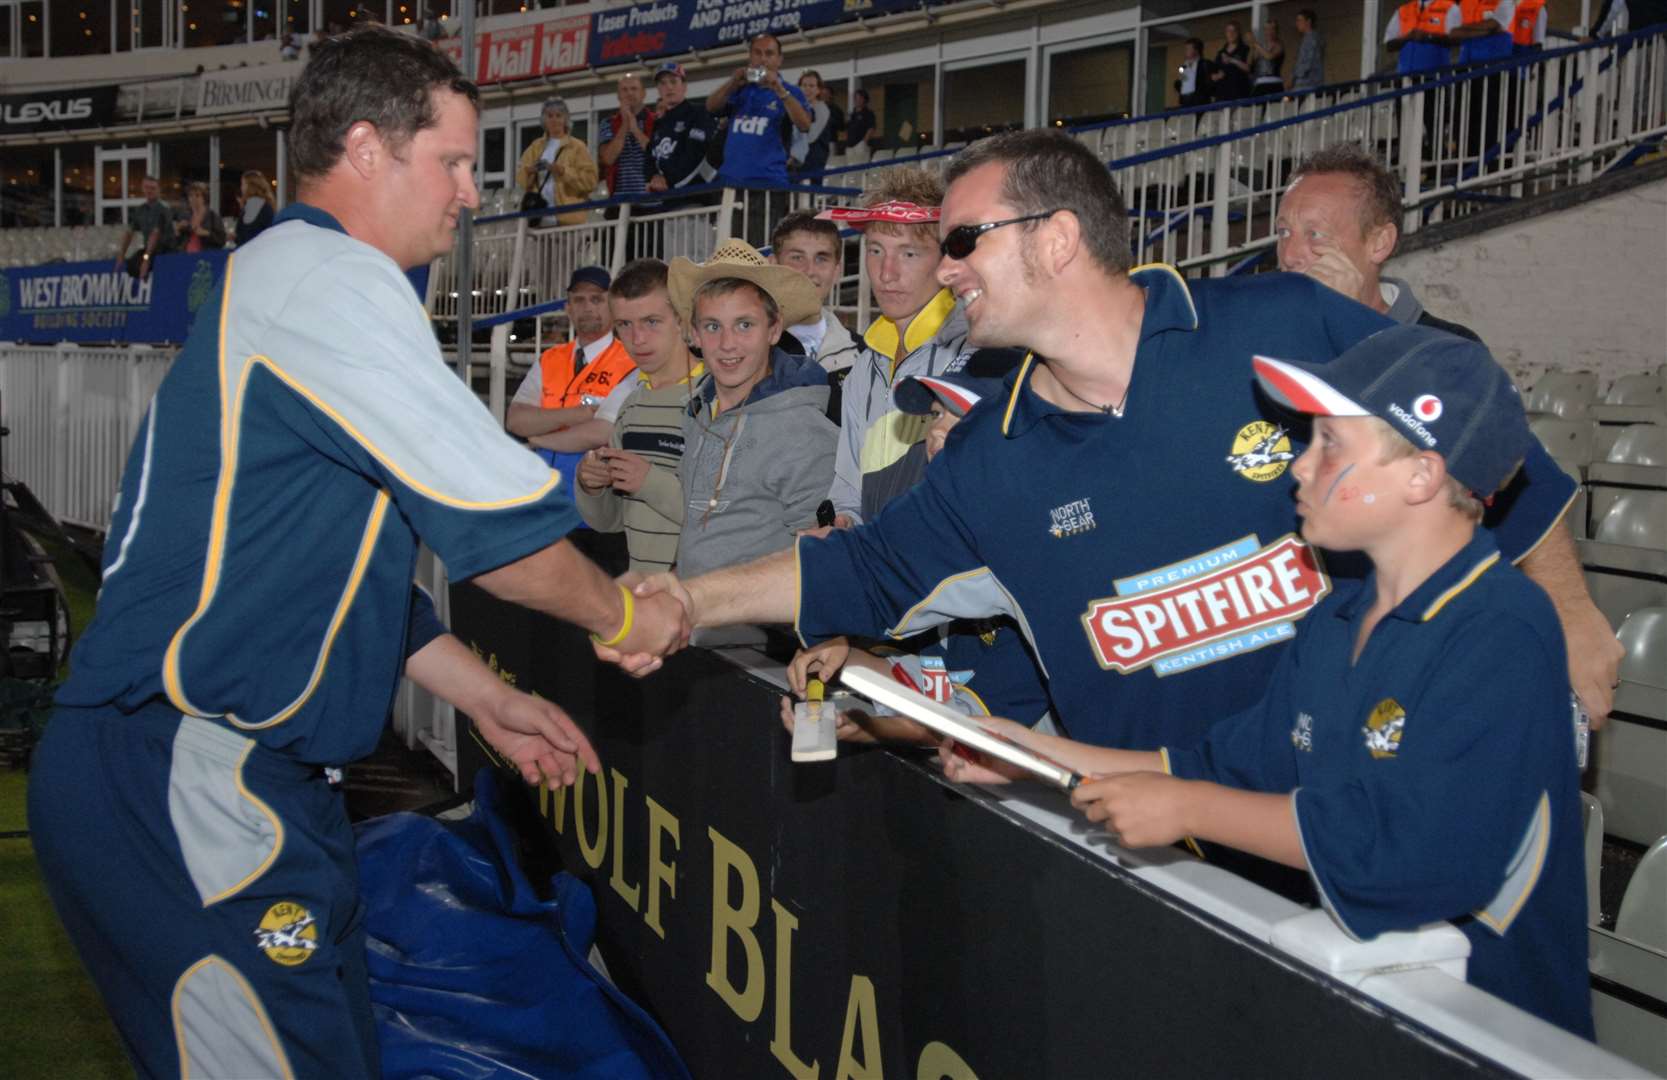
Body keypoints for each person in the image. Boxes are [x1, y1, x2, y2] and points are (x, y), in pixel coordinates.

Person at [28, 27, 685, 1078]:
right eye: (455, 161)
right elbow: (498, 532)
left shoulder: (296, 285)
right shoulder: (328, 279)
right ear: (369, 150)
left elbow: (339, 572)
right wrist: (627, 616)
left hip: (230, 772)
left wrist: (478, 696)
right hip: (190, 764)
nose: (473, 192)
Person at [611, 131, 1578, 755]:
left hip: (1379, 798)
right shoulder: (992, 454)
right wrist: (689, 600)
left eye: (962, 242)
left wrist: (1570, 612)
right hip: (1175, 864)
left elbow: (1480, 444)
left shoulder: (1282, 320)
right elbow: (861, 573)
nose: (944, 274)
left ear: (1058, 237)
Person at [940, 325, 1594, 1040]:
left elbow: (1414, 858)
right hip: (1367, 1014)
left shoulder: (1500, 628)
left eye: (1329, 446)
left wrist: (1190, 809)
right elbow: (1219, 767)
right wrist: (1029, 759)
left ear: (1422, 475)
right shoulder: (1337, 616)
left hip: (1495, 1035)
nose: (1298, 468)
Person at [1272, 144, 1624, 722]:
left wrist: (1572, 610)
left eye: (1315, 236)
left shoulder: (1444, 351)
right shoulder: (1267, 345)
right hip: (1292, 638)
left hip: (1403, 645)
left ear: (1379, 244)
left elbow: (1522, 481)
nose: (1290, 254)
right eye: (1284, 232)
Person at [780, 350, 1051, 748]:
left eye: (965, 417)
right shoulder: (953, 541)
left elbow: (976, 728)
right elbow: (941, 680)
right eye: (938, 414)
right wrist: (848, 658)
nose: (938, 432)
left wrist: (871, 728)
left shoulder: (1033, 559)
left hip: (1041, 802)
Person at [814, 168, 975, 525]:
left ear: (946, 260)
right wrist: (843, 524)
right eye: (875, 250)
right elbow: (848, 489)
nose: (886, 273)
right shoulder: (864, 367)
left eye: (909, 254)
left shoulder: (975, 355)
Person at [668, 239, 836, 579]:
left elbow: (820, 560)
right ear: (695, 335)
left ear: (774, 330)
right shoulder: (698, 414)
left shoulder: (804, 429)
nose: (727, 344)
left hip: (765, 628)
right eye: (713, 326)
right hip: (700, 622)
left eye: (745, 325)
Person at [576, 259, 702, 576]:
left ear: (681, 318)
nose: (638, 338)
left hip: (706, 598)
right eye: (624, 325)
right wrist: (592, 486)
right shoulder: (632, 406)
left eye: (651, 322)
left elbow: (732, 515)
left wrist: (648, 481)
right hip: (648, 594)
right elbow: (613, 521)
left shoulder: (718, 396)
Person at [507, 266, 638, 493]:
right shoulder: (549, 359)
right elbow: (516, 420)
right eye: (579, 300)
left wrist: (538, 438)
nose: (587, 307)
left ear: (613, 307)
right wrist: (580, 414)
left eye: (596, 299)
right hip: (545, 495)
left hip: (599, 496)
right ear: (568, 308)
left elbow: (602, 432)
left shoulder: (631, 361)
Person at [706, 33, 812, 244]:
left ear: (779, 59)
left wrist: (780, 91)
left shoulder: (790, 92)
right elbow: (711, 107)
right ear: (750, 56)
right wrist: (732, 82)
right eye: (758, 53)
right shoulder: (740, 90)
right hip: (731, 184)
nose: (763, 59)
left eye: (769, 54)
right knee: (728, 255)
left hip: (767, 185)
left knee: (759, 253)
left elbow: (804, 124)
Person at [769, 210, 859, 375]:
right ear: (774, 265)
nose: (809, 271)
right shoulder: (750, 348)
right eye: (797, 257)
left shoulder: (863, 353)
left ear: (837, 271)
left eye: (821, 258)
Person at [514, 98, 598, 225]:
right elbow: (521, 179)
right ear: (544, 120)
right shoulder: (535, 147)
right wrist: (529, 172)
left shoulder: (577, 146)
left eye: (558, 116)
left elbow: (590, 181)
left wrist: (563, 171)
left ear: (565, 119)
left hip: (568, 220)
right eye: (550, 116)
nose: (554, 120)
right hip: (540, 220)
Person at [600, 73, 656, 202]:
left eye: (634, 89)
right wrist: (625, 125)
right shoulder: (608, 123)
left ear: (643, 93)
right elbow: (608, 158)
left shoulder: (657, 120)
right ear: (618, 95)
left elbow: (656, 154)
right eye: (624, 90)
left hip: (652, 202)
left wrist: (635, 129)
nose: (629, 93)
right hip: (619, 201)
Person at [115, 175, 176, 280]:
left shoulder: (163, 210)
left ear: (158, 190)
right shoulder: (140, 210)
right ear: (143, 189)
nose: (149, 191)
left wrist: (146, 259)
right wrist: (121, 254)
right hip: (149, 249)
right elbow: (129, 233)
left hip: (166, 250)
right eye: (147, 188)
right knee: (131, 265)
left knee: (144, 262)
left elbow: (155, 234)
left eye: (153, 188)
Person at [1386, 0, 1462, 76]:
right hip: (1405, 77)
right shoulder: (1402, 10)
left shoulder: (1450, 8)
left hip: (1436, 77)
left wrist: (1428, 37)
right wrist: (1407, 37)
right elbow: (1389, 46)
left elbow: (1457, 40)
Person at [790, 70, 835, 181]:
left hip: (813, 162)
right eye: (804, 85)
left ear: (818, 89)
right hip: (795, 161)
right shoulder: (796, 107)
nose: (807, 89)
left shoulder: (822, 108)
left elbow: (812, 136)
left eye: (811, 86)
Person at [176, 180, 227, 252]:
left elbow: (222, 240)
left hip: (205, 258)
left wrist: (207, 233)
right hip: (186, 257)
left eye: (197, 195)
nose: (193, 198)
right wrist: (177, 230)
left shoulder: (213, 216)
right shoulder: (184, 216)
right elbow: (177, 242)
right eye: (190, 195)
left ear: (204, 198)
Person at [1209, 20, 1253, 101]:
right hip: (1222, 95)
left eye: (1234, 31)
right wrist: (1217, 76)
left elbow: (1248, 68)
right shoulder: (1221, 53)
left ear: (1238, 33)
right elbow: (1213, 75)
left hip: (1239, 93)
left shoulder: (1245, 49)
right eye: (1228, 31)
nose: (1231, 34)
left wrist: (1232, 60)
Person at [235, 169, 276, 246]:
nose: (241, 188)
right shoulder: (265, 204)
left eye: (243, 184)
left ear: (249, 186)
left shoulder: (254, 204)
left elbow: (247, 232)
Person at [1290, 10, 1326, 92]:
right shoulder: (1309, 38)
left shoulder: (1312, 39)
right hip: (1310, 82)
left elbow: (1307, 63)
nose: (1297, 24)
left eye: (1299, 20)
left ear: (1308, 21)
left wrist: (1293, 76)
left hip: (1307, 83)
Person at [1249, 18, 1287, 95]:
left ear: (1276, 31)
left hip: (1274, 82)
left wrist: (1255, 44)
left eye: (1272, 29)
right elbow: (1250, 63)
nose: (1269, 32)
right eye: (1267, 29)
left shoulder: (1279, 45)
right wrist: (1251, 46)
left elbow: (1269, 56)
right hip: (1259, 83)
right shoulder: (1260, 47)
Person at [1175, 38, 1211, 108]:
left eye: (1188, 49)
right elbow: (1180, 81)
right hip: (1185, 102)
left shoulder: (1205, 64)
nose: (1186, 51)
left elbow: (1207, 83)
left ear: (1196, 50)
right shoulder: (1183, 66)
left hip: (1199, 102)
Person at [844, 87, 878, 160]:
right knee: (850, 169)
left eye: (860, 98)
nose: (857, 100)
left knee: (861, 168)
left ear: (865, 100)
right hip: (849, 147)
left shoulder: (868, 113)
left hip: (861, 146)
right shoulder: (852, 114)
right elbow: (847, 128)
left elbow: (871, 128)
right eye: (856, 98)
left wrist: (864, 142)